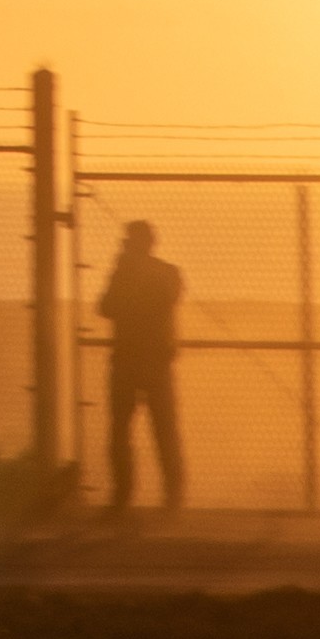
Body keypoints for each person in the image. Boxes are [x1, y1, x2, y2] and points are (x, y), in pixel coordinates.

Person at [94, 216, 188, 511]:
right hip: (133, 361)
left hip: (147, 361)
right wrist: (124, 272)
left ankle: (169, 496)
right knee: (127, 431)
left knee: (159, 429)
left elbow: (162, 300)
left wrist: (129, 274)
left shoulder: (164, 273)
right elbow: (105, 307)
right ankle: (126, 495)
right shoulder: (136, 273)